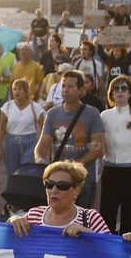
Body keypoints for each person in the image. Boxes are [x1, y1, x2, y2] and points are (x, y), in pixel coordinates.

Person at [35, 71, 105, 210]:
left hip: (83, 179)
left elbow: (98, 150)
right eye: (63, 86)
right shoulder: (52, 113)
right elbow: (42, 145)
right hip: (58, 181)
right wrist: (39, 159)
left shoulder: (92, 113)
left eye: (71, 86)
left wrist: (72, 168)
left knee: (82, 218)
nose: (65, 90)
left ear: (81, 90)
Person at [99, 76, 131, 235]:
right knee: (106, 218)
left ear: (130, 94)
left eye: (124, 88)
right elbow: (101, 146)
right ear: (111, 94)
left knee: (129, 220)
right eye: (116, 88)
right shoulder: (104, 116)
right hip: (109, 171)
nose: (120, 91)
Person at [0, 78, 44, 178]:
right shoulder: (7, 106)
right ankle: (13, 192)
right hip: (11, 141)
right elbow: (1, 129)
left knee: (27, 169)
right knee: (12, 172)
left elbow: (44, 128)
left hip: (30, 141)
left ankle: (26, 192)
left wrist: (43, 148)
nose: (17, 92)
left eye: (20, 89)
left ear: (26, 91)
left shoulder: (35, 107)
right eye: (14, 89)